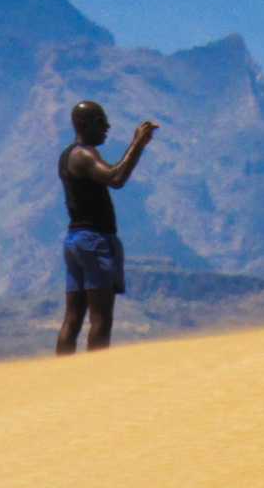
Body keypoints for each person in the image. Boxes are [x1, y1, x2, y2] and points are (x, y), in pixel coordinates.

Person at [56, 100, 157, 354]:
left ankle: (58, 377)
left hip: (75, 241)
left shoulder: (68, 155)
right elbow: (115, 177)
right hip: (93, 241)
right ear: (84, 124)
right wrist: (137, 143)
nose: (107, 127)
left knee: (72, 319)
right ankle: (94, 376)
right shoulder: (83, 154)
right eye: (101, 121)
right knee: (101, 318)